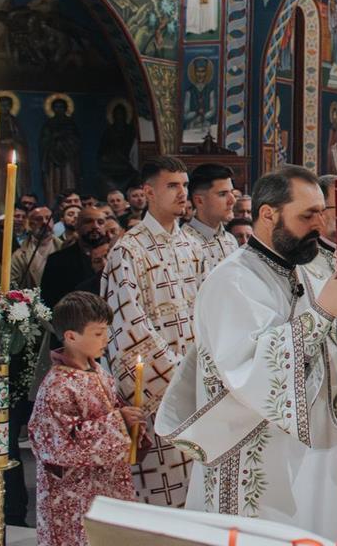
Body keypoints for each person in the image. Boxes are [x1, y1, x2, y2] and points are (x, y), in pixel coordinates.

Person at [158, 165, 337, 535]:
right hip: (258, 455)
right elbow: (250, 372)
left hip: (317, 453)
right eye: (307, 216)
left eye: (322, 213)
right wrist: (323, 313)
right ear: (268, 214)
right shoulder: (233, 280)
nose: (320, 226)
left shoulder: (304, 272)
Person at [102, 156, 204, 507]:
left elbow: (208, 316)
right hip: (159, 392)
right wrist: (180, 376)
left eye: (185, 185)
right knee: (161, 495)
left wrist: (203, 372)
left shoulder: (193, 246)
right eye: (172, 186)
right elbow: (127, 327)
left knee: (197, 493)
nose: (182, 193)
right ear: (148, 192)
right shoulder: (127, 251)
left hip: (198, 386)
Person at [29, 291, 145, 546]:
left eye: (106, 331)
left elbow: (111, 409)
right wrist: (118, 422)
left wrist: (130, 421)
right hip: (73, 493)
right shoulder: (57, 385)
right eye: (98, 333)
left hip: (107, 483)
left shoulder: (97, 370)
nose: (106, 338)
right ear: (71, 336)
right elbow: (57, 445)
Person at [40, 206, 110, 310]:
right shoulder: (57, 260)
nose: (95, 226)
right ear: (77, 226)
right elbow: (49, 301)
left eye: (100, 222)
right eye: (88, 222)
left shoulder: (117, 257)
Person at [181, 162, 239, 271]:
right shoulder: (182, 244)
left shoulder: (231, 240)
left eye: (232, 192)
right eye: (222, 194)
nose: (232, 200)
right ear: (199, 200)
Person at [10, 206, 62, 290]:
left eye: (48, 218)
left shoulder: (64, 248)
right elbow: (13, 286)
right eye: (38, 219)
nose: (44, 222)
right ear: (30, 225)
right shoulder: (19, 256)